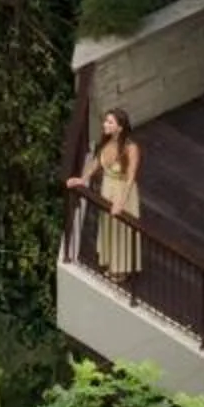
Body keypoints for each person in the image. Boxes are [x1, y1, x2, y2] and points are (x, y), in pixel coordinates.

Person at [67, 108, 143, 279]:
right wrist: (82, 179)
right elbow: (96, 163)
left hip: (122, 191)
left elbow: (131, 177)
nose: (105, 125)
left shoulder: (131, 148)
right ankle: (110, 261)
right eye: (105, 121)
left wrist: (121, 202)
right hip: (107, 188)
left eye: (110, 122)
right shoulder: (106, 143)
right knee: (108, 226)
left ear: (120, 127)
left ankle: (121, 269)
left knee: (120, 229)